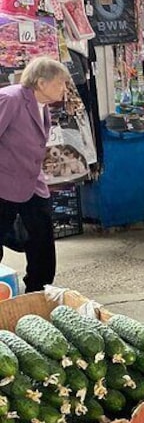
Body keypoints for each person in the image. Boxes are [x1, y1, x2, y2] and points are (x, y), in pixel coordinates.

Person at [0, 57, 68, 293]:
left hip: (32, 183)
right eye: (60, 83)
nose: (64, 88)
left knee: (42, 241)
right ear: (41, 83)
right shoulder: (10, 99)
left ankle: (39, 291)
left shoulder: (42, 105)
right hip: (4, 184)